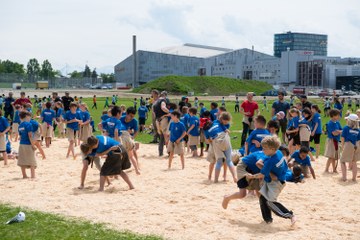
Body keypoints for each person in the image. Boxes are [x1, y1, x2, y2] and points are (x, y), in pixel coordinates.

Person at [246, 136, 296, 225]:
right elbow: (266, 159)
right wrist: (261, 162)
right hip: (277, 179)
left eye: (265, 148)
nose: (263, 150)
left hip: (277, 183)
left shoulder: (271, 161)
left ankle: (290, 215)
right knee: (262, 197)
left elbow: (261, 174)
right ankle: (268, 220)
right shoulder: (278, 153)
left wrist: (252, 176)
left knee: (270, 202)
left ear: (272, 149)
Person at [204, 112, 237, 183]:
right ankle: (234, 177)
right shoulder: (217, 122)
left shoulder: (206, 130)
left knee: (218, 162)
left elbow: (209, 141)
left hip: (215, 140)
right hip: (224, 138)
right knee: (229, 161)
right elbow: (227, 131)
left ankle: (215, 179)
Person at [120, 107, 141, 175]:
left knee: (132, 152)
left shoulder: (134, 121)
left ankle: (137, 166)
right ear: (126, 114)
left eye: (133, 116)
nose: (132, 117)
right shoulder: (121, 118)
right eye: (130, 116)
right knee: (121, 154)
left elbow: (136, 131)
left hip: (129, 138)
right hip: (121, 137)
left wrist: (132, 137)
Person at [340, 114, 360, 182]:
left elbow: (342, 138)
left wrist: (342, 146)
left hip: (348, 144)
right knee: (354, 162)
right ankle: (354, 178)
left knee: (342, 161)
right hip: (357, 145)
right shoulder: (358, 129)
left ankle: (344, 178)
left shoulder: (346, 128)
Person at [17, 111, 37, 179]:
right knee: (32, 161)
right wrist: (33, 145)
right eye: (29, 116)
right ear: (26, 116)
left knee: (22, 160)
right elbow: (30, 136)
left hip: (22, 144)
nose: (30, 118)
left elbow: (20, 136)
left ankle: (24, 175)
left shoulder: (20, 125)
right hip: (28, 144)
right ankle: (33, 176)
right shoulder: (28, 124)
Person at [324, 109, 342, 173]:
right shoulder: (330, 123)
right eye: (338, 115)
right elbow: (334, 133)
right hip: (332, 141)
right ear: (333, 116)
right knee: (331, 156)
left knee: (335, 156)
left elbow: (341, 131)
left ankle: (334, 169)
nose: (339, 116)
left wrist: (338, 131)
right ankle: (326, 169)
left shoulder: (337, 122)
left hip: (336, 140)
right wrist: (338, 131)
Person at [153, 91, 170, 156]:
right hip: (163, 120)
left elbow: (154, 113)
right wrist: (169, 112)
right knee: (166, 136)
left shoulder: (155, 102)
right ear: (165, 96)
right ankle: (169, 152)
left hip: (157, 120)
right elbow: (163, 108)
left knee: (161, 136)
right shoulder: (163, 100)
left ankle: (160, 152)